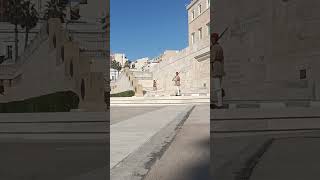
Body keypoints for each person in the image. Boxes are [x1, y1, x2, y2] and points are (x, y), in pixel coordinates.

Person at [211, 33, 225, 109]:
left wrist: (211, 49)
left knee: (217, 88)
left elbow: (212, 58)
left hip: (215, 67)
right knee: (218, 86)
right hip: (220, 67)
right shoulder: (220, 47)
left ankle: (220, 104)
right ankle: (220, 102)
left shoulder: (214, 47)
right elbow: (222, 58)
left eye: (212, 39)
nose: (211, 40)